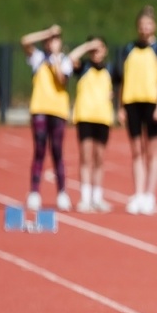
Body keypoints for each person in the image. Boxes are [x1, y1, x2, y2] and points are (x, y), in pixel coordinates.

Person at [119, 6, 157, 215]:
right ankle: (137, 193)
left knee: (151, 150)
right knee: (136, 150)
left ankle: (150, 194)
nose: (145, 29)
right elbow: (123, 78)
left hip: (151, 102)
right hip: (132, 102)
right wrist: (120, 106)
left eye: (148, 25)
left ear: (154, 26)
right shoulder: (129, 48)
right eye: (141, 26)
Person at [21, 24, 73, 212]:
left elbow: (61, 79)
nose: (52, 43)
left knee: (57, 151)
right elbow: (25, 41)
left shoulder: (65, 61)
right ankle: (34, 192)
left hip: (58, 111)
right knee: (40, 150)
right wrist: (46, 32)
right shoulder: (37, 58)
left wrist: (56, 58)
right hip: (40, 109)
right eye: (49, 40)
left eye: (55, 39)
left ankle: (62, 192)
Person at [68, 36, 117, 213]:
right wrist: (87, 45)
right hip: (85, 117)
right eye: (93, 49)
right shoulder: (83, 67)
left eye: (100, 48)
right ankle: (85, 198)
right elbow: (70, 59)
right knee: (86, 158)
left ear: (105, 50)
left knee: (99, 158)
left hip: (103, 118)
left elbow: (122, 85)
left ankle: (97, 198)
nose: (97, 52)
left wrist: (114, 95)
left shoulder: (111, 69)